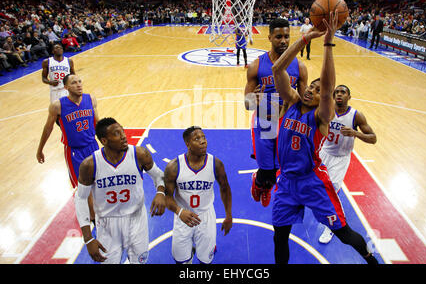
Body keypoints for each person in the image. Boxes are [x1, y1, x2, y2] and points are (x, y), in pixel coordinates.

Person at [271, 11, 379, 264]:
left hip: (313, 183)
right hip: (286, 182)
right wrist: (304, 39)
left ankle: (368, 257)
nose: (311, 90)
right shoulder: (291, 103)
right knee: (279, 237)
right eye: (311, 87)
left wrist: (329, 43)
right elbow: (277, 69)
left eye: (318, 91)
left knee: (343, 233)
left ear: (324, 99)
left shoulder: (322, 117)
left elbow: (329, 89)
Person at [74, 117, 166, 264]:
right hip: (107, 225)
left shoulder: (139, 154)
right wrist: (88, 238)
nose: (123, 136)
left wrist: (161, 192)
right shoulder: (90, 165)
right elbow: (80, 198)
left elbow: (160, 176)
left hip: (136, 220)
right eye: (117, 133)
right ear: (104, 141)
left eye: (122, 131)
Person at [244, 18, 308, 207]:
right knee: (266, 169)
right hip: (266, 116)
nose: (283, 40)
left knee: (281, 168)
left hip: (288, 120)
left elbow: (304, 104)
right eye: (279, 36)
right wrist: (251, 100)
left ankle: (267, 187)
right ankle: (259, 183)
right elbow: (247, 104)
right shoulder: (257, 65)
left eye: (287, 37)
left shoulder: (300, 66)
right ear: (270, 37)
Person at [164, 126, 232, 264]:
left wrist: (228, 215)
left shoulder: (216, 164)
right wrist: (179, 211)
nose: (203, 141)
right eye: (197, 139)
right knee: (181, 261)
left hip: (206, 217)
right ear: (187, 144)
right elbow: (167, 197)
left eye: (204, 137)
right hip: (183, 217)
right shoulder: (174, 167)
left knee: (205, 261)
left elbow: (225, 189)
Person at [318, 84, 377, 244]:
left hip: (341, 158)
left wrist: (355, 133)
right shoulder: (327, 111)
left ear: (349, 97)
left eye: (343, 92)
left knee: (332, 191)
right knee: (311, 183)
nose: (339, 94)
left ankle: (330, 226)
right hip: (323, 152)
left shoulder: (356, 116)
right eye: (336, 92)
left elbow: (373, 138)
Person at [36, 74, 99, 219]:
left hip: (93, 146)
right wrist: (40, 150)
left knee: (98, 183)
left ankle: (100, 212)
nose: (78, 85)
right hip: (74, 152)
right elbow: (48, 128)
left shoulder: (91, 99)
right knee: (84, 187)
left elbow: (98, 123)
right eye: (74, 83)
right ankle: (94, 219)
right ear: (66, 87)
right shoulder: (57, 106)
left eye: (79, 81)